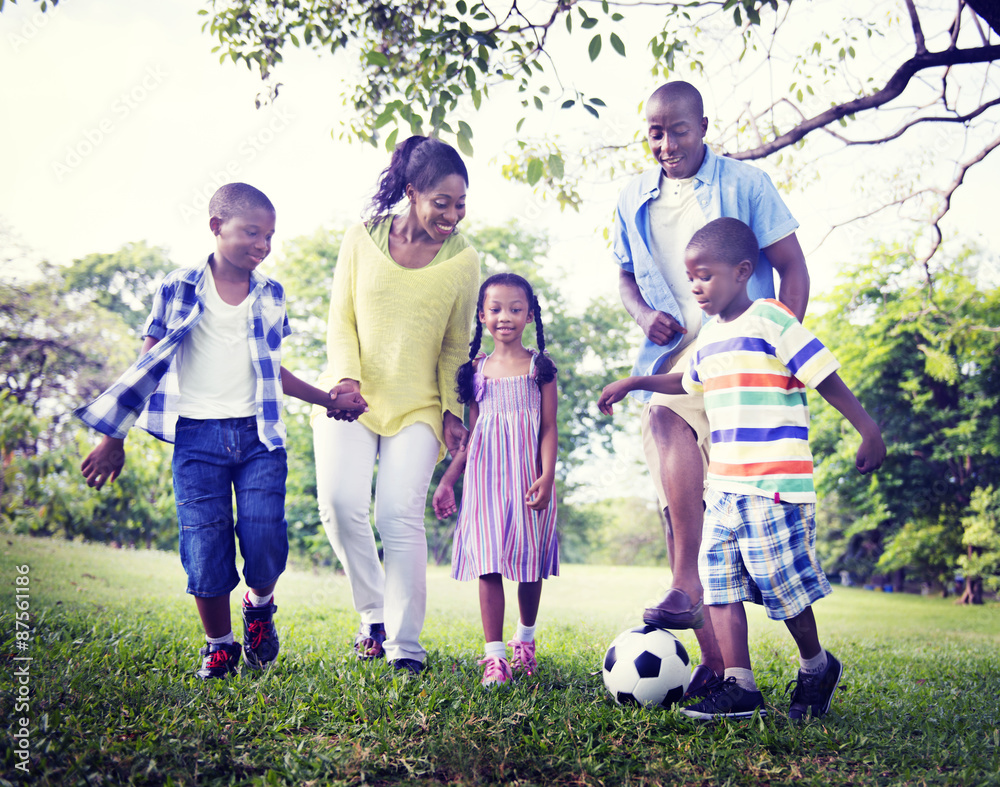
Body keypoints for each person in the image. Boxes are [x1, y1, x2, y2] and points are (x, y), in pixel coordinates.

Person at [76, 183, 366, 680]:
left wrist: (328, 400)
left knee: (264, 539)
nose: (263, 245)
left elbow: (274, 369)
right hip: (196, 439)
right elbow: (148, 363)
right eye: (252, 232)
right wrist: (114, 435)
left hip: (259, 438)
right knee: (204, 546)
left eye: (270, 236)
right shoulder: (178, 287)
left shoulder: (271, 294)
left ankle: (258, 607)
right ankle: (219, 645)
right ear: (216, 227)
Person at [599, 218, 885, 719]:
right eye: (691, 278)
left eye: (704, 276)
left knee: (782, 587)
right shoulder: (709, 336)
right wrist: (634, 381)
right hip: (725, 487)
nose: (695, 287)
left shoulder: (772, 320)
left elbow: (823, 373)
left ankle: (816, 665)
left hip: (775, 485)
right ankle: (740, 684)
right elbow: (687, 383)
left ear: (742, 272)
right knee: (721, 584)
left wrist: (867, 427)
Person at [611, 79, 811, 699]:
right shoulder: (631, 199)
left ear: (703, 126)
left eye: (677, 130)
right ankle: (715, 653)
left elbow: (795, 266)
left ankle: (788, 659)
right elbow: (623, 276)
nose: (665, 143)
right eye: (654, 131)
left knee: (735, 510)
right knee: (679, 490)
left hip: (741, 357)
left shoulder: (746, 185)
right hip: (676, 356)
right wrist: (645, 318)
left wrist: (775, 348)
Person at [312, 136, 481, 675]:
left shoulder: (464, 260)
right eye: (441, 203)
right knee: (340, 506)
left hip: (420, 408)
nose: (452, 215)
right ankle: (373, 616)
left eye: (460, 204)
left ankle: (405, 646)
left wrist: (454, 413)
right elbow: (342, 320)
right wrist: (345, 380)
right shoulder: (361, 238)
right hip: (349, 397)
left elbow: (458, 343)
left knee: (397, 515)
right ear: (412, 193)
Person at [432, 273, 559, 687]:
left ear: (529, 314)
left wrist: (546, 476)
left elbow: (548, 428)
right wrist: (449, 480)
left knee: (527, 566)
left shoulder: (540, 368)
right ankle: (495, 657)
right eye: (496, 309)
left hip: (528, 480)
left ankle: (525, 640)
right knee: (488, 562)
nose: (506, 317)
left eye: (516, 309)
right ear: (482, 315)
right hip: (486, 481)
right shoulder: (474, 371)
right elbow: (472, 437)